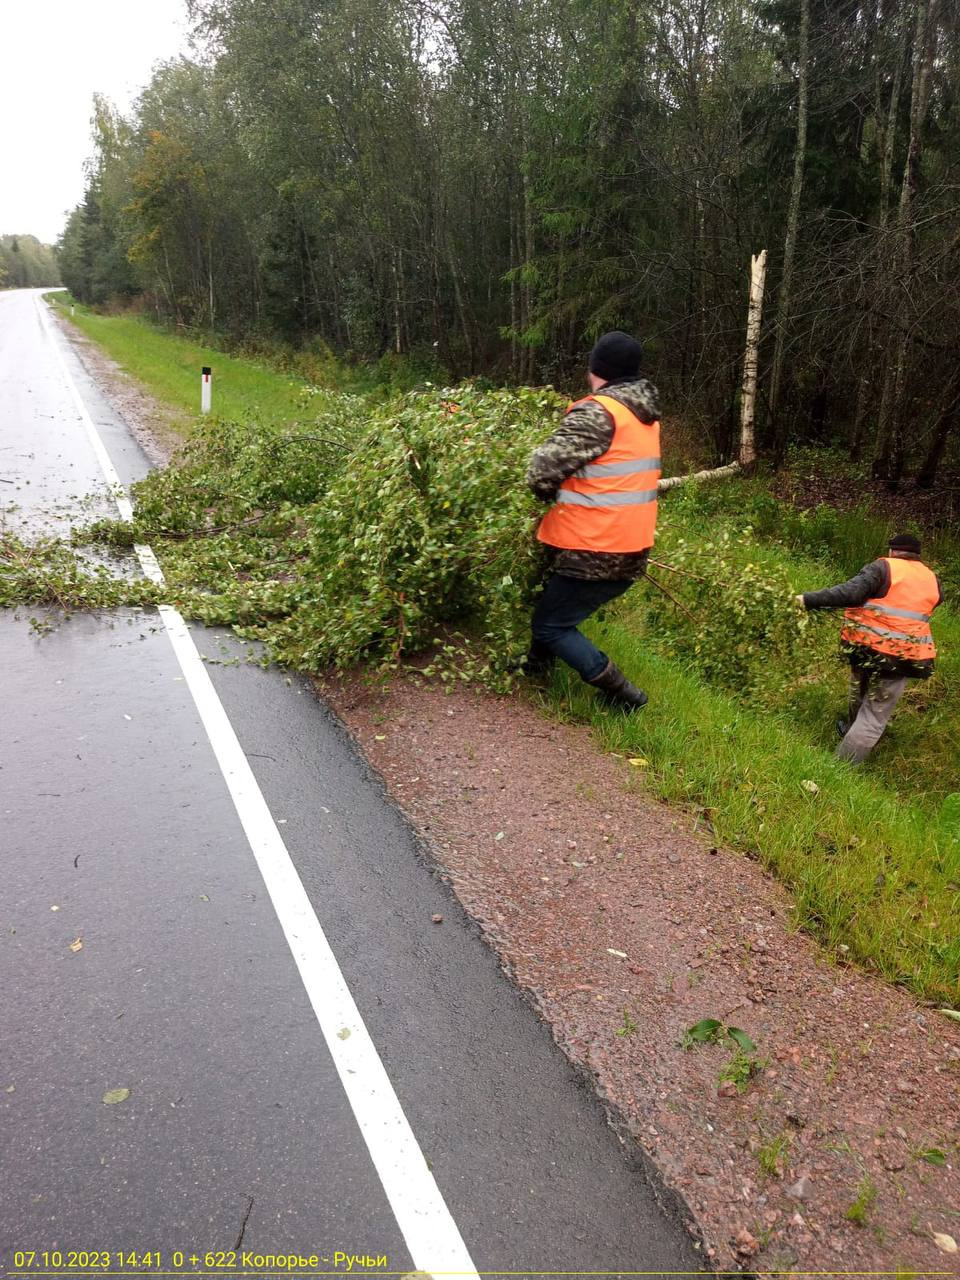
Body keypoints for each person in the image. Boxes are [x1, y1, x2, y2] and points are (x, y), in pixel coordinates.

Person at [524, 331, 661, 709]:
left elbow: (540, 470)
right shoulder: (644, 415)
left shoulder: (600, 412)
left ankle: (626, 695)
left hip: (592, 545)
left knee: (551, 625)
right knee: (550, 603)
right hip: (628, 545)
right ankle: (536, 668)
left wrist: (542, 495)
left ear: (596, 369)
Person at [796, 533, 942, 763]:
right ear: (917, 555)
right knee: (875, 711)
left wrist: (807, 600)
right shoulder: (932, 578)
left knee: (862, 697)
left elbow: (850, 593)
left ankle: (841, 767)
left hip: (865, 647)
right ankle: (852, 735)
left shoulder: (884, 567)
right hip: (903, 656)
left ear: (893, 551)